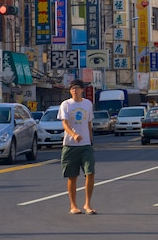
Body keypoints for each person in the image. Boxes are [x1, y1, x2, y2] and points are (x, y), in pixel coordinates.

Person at [60, 79, 95, 215]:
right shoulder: (66, 105)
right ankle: (73, 205)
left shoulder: (87, 104)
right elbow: (65, 124)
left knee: (90, 173)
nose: (74, 90)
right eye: (72, 88)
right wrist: (74, 134)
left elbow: (89, 123)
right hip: (70, 145)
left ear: (82, 90)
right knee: (72, 176)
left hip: (86, 145)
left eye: (77, 88)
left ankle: (87, 204)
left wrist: (90, 140)